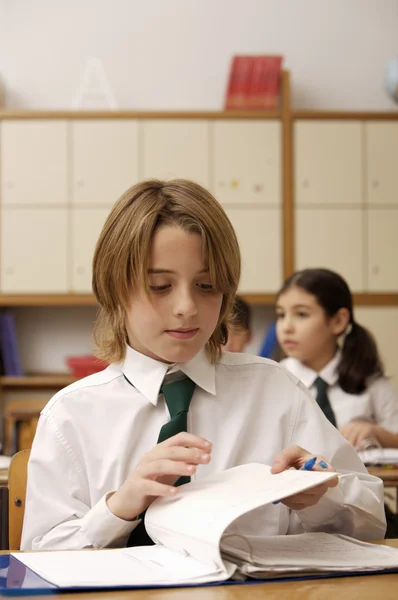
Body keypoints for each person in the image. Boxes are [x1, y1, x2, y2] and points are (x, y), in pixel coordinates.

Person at [21, 181, 385, 551]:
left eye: (207, 285)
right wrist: (119, 508)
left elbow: (373, 521)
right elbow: (41, 555)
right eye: (160, 286)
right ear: (114, 288)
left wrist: (320, 497)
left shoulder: (275, 391)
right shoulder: (71, 416)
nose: (187, 307)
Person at [275, 268, 398, 450]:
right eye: (281, 315)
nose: (286, 327)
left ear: (338, 321)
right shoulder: (274, 379)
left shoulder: (370, 381)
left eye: (301, 314)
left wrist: (377, 433)